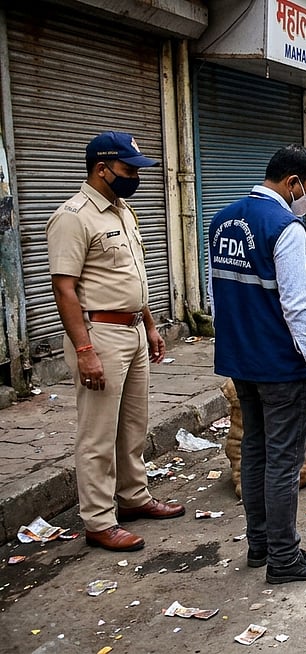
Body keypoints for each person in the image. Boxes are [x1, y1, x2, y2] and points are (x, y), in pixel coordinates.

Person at [208, 144, 306, 585]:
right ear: (293, 183)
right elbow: (298, 306)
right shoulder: (286, 227)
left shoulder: (221, 219)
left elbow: (221, 292)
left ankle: (259, 544)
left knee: (255, 449)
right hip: (279, 363)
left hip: (239, 357)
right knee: (284, 459)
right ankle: (285, 558)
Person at [47, 131, 182, 553]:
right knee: (98, 433)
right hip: (99, 333)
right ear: (101, 169)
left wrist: (151, 324)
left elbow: (133, 277)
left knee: (133, 425)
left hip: (134, 329)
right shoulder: (73, 216)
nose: (134, 178)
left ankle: (134, 497)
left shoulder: (124, 210)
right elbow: (64, 289)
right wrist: (85, 350)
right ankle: (99, 521)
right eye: (127, 170)